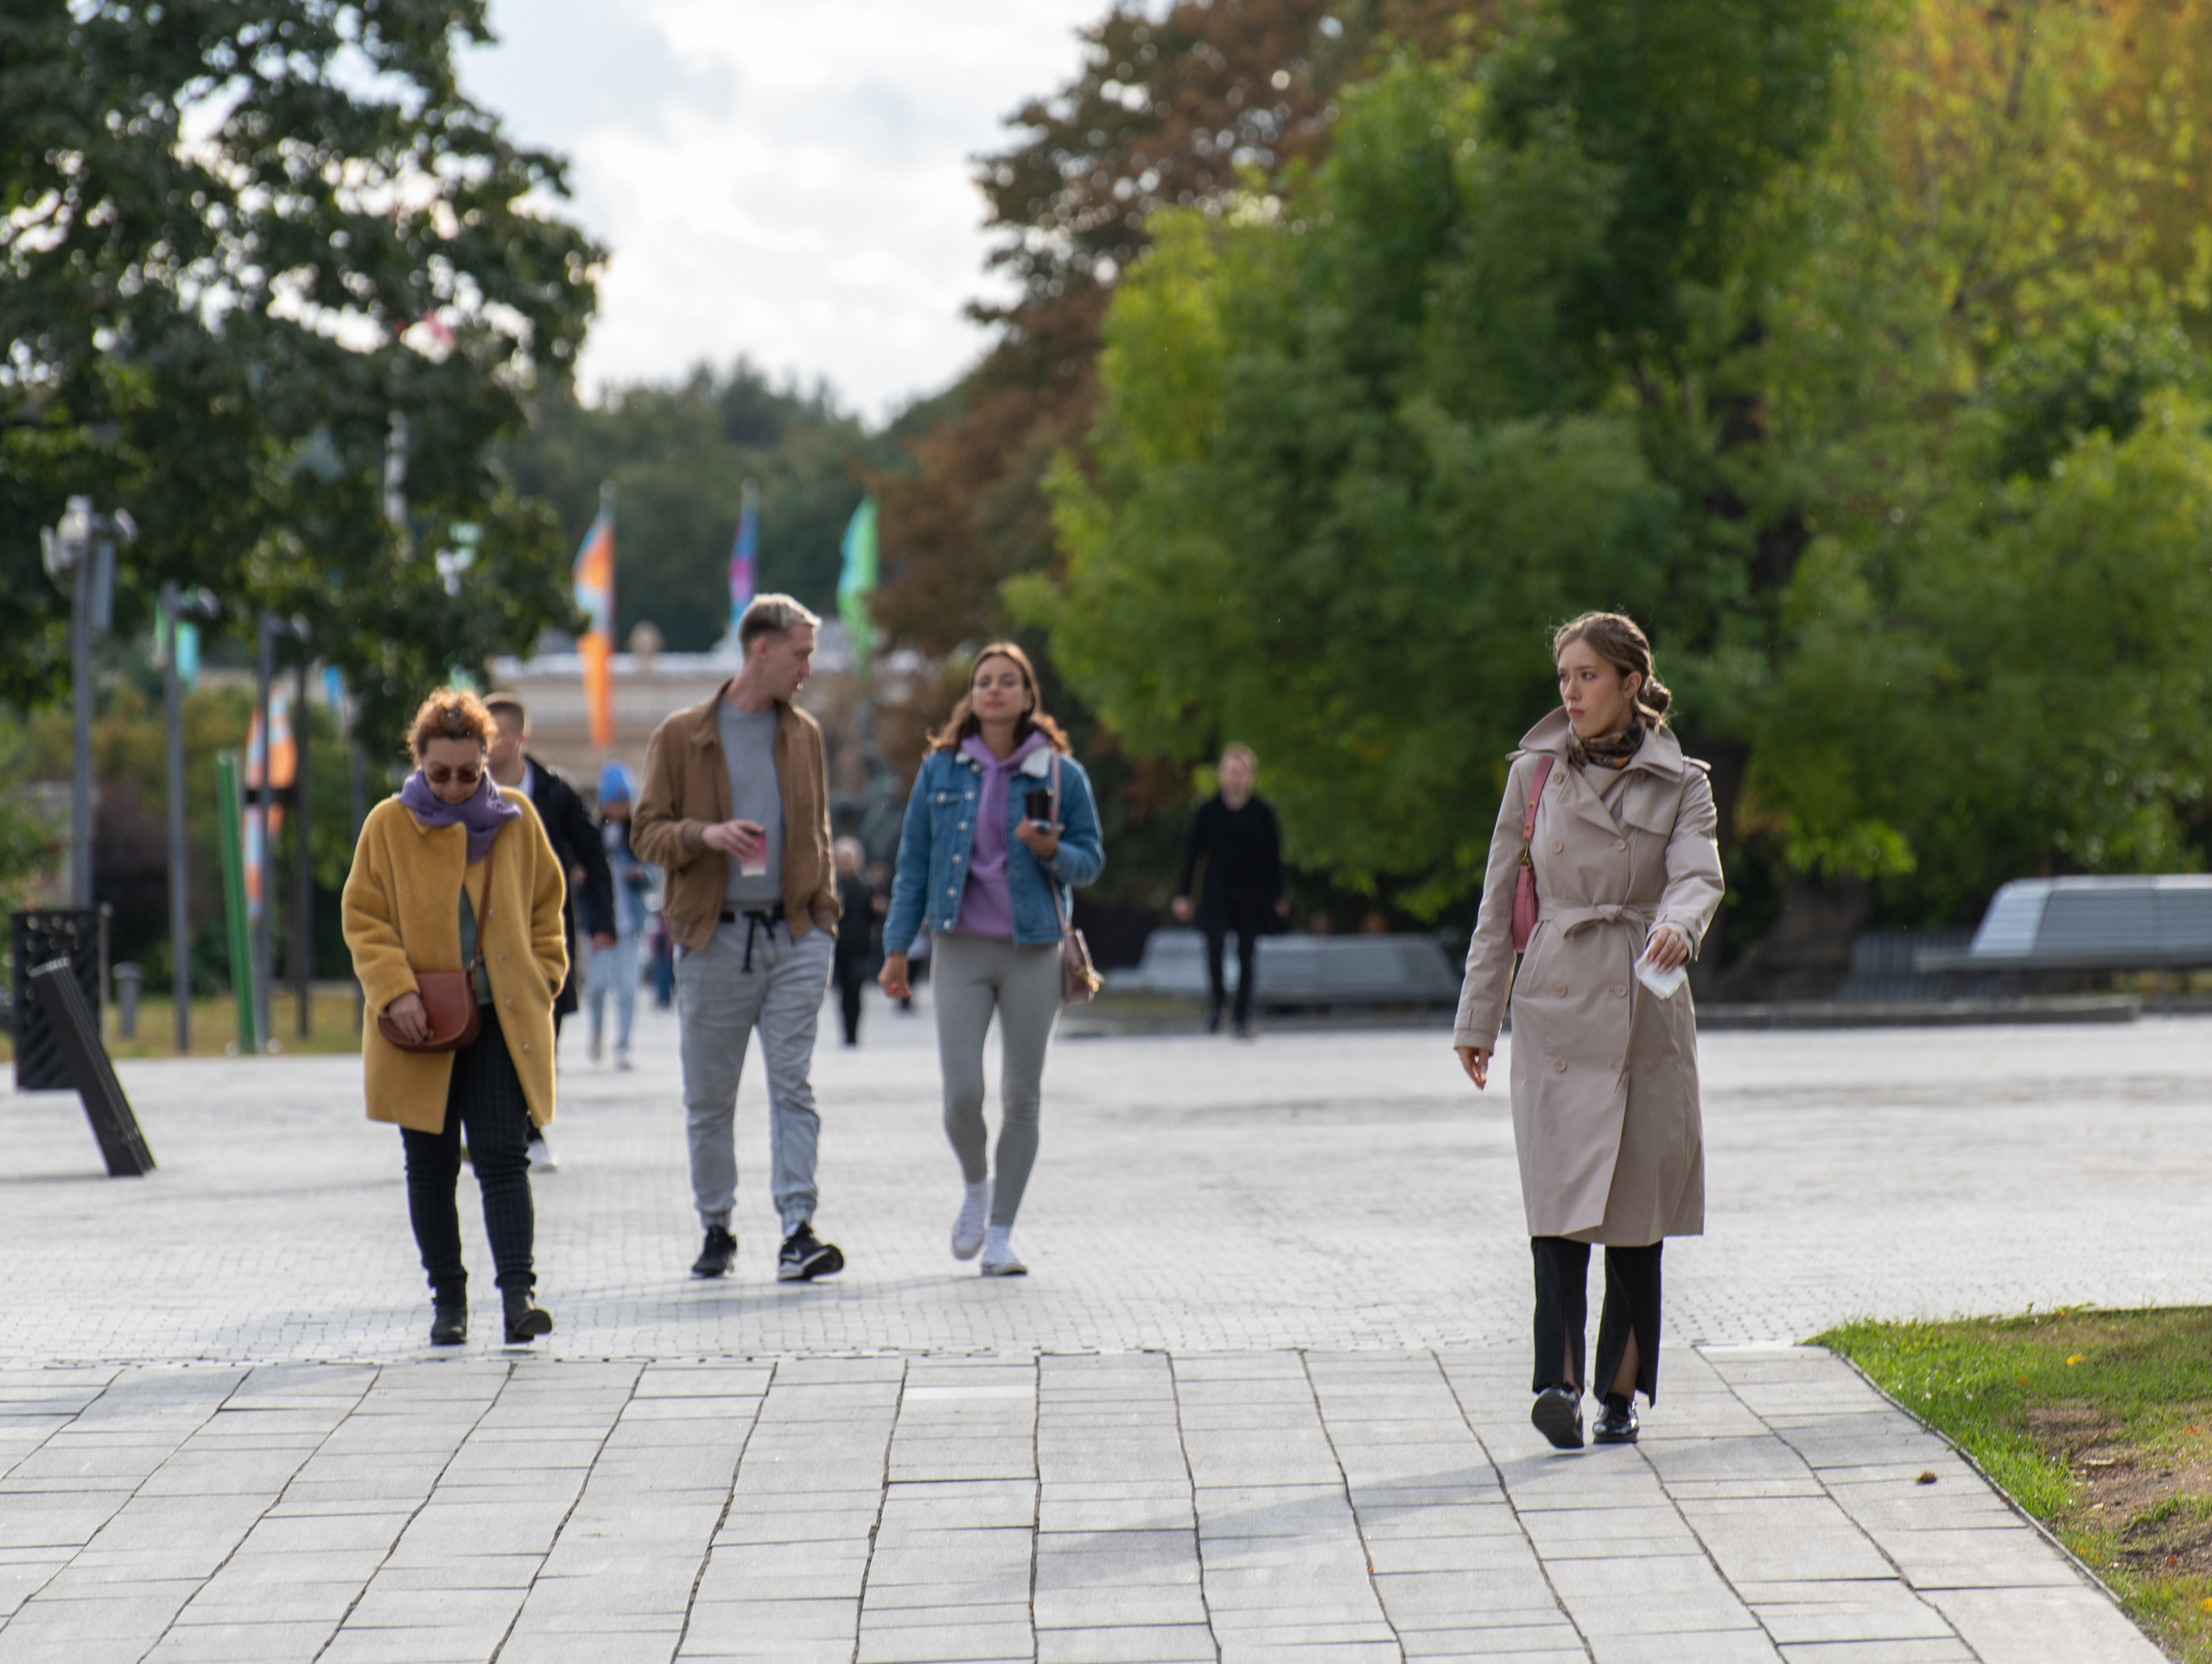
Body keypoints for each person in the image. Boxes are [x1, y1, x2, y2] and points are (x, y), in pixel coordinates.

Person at [1452, 613, 1723, 1451]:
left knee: (1638, 1215)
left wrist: (1680, 925)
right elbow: (1498, 903)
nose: (1570, 691)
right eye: (1562, 676)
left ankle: (1618, 1393)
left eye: (1586, 676)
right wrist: (1476, 1017)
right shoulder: (1532, 775)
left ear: (1631, 681)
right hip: (1556, 1005)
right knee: (1558, 1205)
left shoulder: (1683, 783)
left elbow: (1697, 872)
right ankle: (1555, 1384)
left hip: (1645, 1002)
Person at [341, 687, 565, 1347]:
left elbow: (548, 911)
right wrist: (395, 991)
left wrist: (545, 976)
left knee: (503, 1156)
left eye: (470, 772)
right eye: (440, 773)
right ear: (419, 762)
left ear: (487, 760)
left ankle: (519, 1296)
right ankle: (449, 1299)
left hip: (503, 1019)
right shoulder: (388, 824)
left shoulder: (518, 818)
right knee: (430, 1164)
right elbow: (364, 917)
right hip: (419, 1023)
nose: (455, 785)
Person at [631, 594, 845, 1285]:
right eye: (801, 653)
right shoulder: (681, 734)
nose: (808, 666)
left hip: (795, 936)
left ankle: (797, 1229)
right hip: (712, 939)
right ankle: (717, 1226)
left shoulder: (804, 733)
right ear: (763, 650)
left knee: (793, 1086)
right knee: (711, 1096)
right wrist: (705, 836)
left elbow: (818, 835)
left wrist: (824, 917)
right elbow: (646, 833)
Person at [879, 643, 1104, 1277]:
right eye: (984, 682)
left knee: (1022, 1097)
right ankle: (977, 1186)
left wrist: (1053, 851)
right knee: (961, 1096)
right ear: (972, 697)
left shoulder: (1062, 775)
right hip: (960, 948)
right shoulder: (941, 772)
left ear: (1029, 696)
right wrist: (897, 949)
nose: (995, 691)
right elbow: (913, 866)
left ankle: (1001, 1234)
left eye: (1009, 682)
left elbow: (1091, 861)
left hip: (1034, 950)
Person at [485, 692, 613, 1173]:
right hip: (484, 936)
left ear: (522, 737)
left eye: (498, 735)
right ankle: (494, 1131)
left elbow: (592, 854)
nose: (489, 745)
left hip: (542, 933)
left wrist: (604, 921)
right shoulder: (464, 790)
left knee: (541, 1032)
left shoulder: (555, 792)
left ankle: (530, 1128)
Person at [1171, 742, 1287, 1037]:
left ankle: (1242, 1016)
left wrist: (1279, 895)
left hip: (1252, 893)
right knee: (1214, 949)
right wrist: (1183, 893)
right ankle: (1217, 1004)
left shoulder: (1262, 812)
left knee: (1247, 955)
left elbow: (1276, 858)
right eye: (1231, 771)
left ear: (1250, 775)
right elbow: (1192, 855)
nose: (1236, 778)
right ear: (1222, 775)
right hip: (1216, 892)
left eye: (1241, 772)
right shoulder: (1208, 811)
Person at [586, 760, 653, 1070]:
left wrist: (640, 875)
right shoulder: (590, 834)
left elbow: (656, 872)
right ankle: (596, 1035)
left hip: (630, 924)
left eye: (623, 802)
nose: (618, 808)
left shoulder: (639, 836)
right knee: (597, 985)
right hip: (597, 924)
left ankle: (623, 1045)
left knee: (627, 987)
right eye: (613, 802)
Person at [832, 836, 881, 1047]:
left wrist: (878, 911)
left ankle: (854, 1033)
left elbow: (874, 917)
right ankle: (846, 1032)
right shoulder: (833, 886)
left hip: (859, 948)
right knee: (843, 993)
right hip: (839, 948)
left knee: (856, 989)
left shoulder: (866, 886)